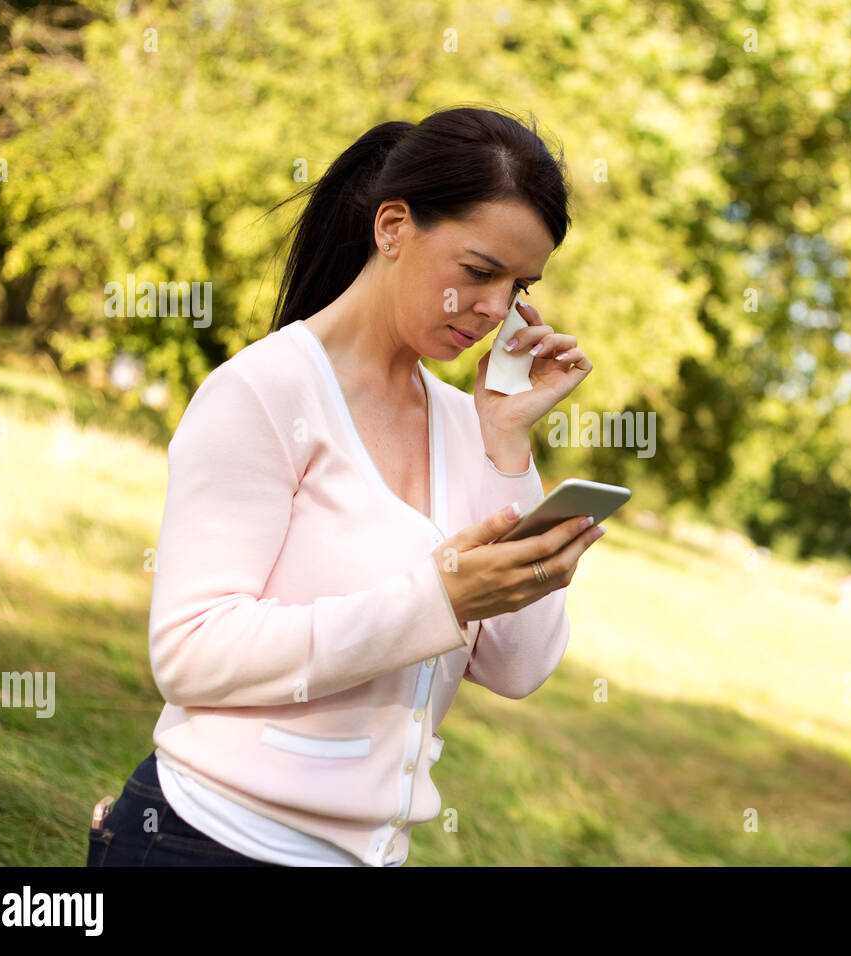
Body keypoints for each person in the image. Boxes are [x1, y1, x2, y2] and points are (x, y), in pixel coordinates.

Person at [87, 106, 603, 867]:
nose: (497, 309)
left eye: (519, 284)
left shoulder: (472, 426)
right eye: (480, 271)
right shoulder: (264, 392)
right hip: (208, 843)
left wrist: (506, 443)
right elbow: (189, 653)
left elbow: (519, 668)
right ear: (393, 227)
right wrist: (438, 599)